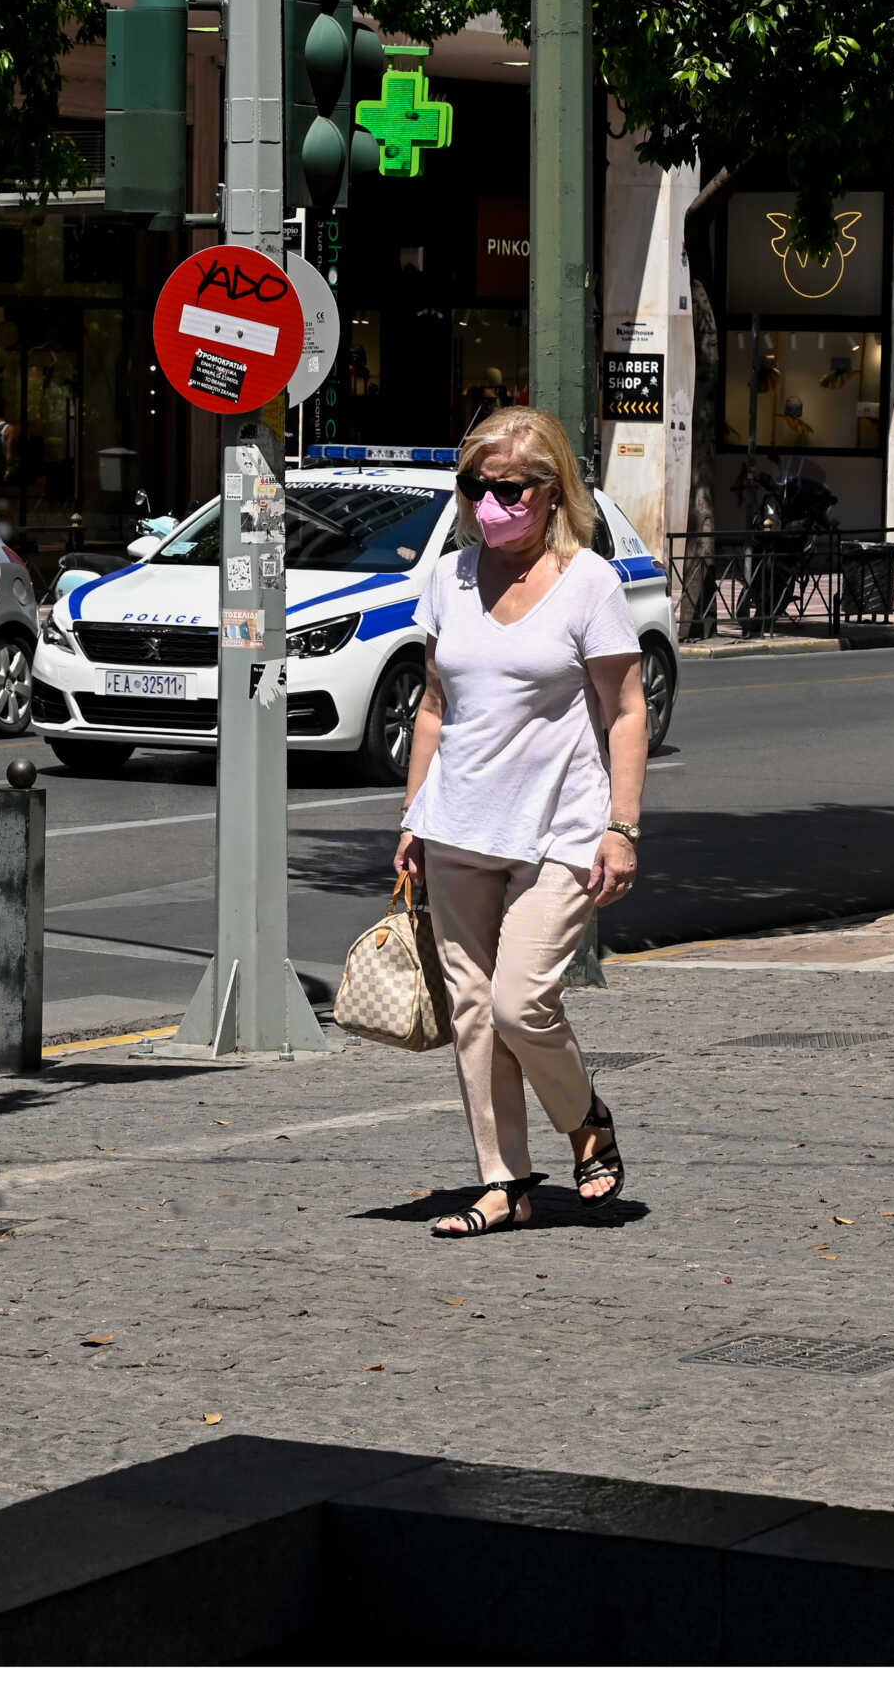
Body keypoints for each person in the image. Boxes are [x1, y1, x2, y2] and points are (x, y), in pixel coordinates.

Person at [394, 406, 648, 1239]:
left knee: (519, 1001)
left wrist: (623, 826)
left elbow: (625, 709)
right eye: (475, 486)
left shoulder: (589, 584)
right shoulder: (451, 577)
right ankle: (503, 1181)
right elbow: (433, 706)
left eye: (507, 487)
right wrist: (412, 817)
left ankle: (586, 1122)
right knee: (472, 1010)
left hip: (558, 830)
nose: (489, 502)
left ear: (550, 491)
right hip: (457, 823)